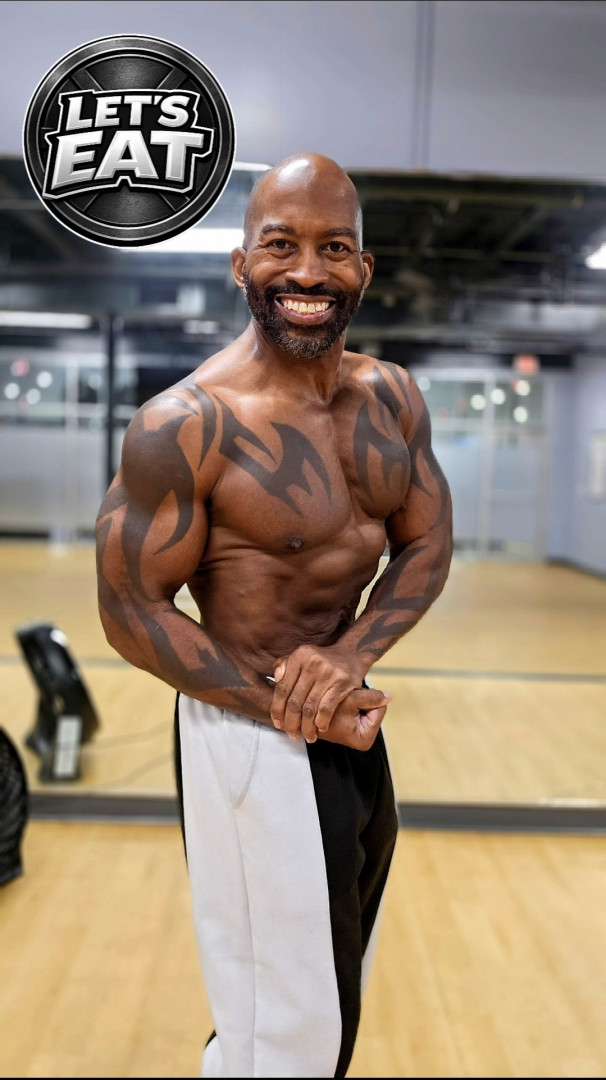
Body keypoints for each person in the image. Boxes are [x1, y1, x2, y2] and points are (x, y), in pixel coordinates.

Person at [95, 152, 453, 1079]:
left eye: (334, 248)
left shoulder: (391, 398)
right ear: (241, 263)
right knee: (284, 1024)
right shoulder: (186, 424)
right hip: (246, 736)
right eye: (280, 244)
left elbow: (426, 542)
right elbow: (129, 607)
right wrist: (286, 704)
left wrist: (348, 658)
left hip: (348, 721)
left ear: (363, 268)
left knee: (335, 983)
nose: (307, 271)